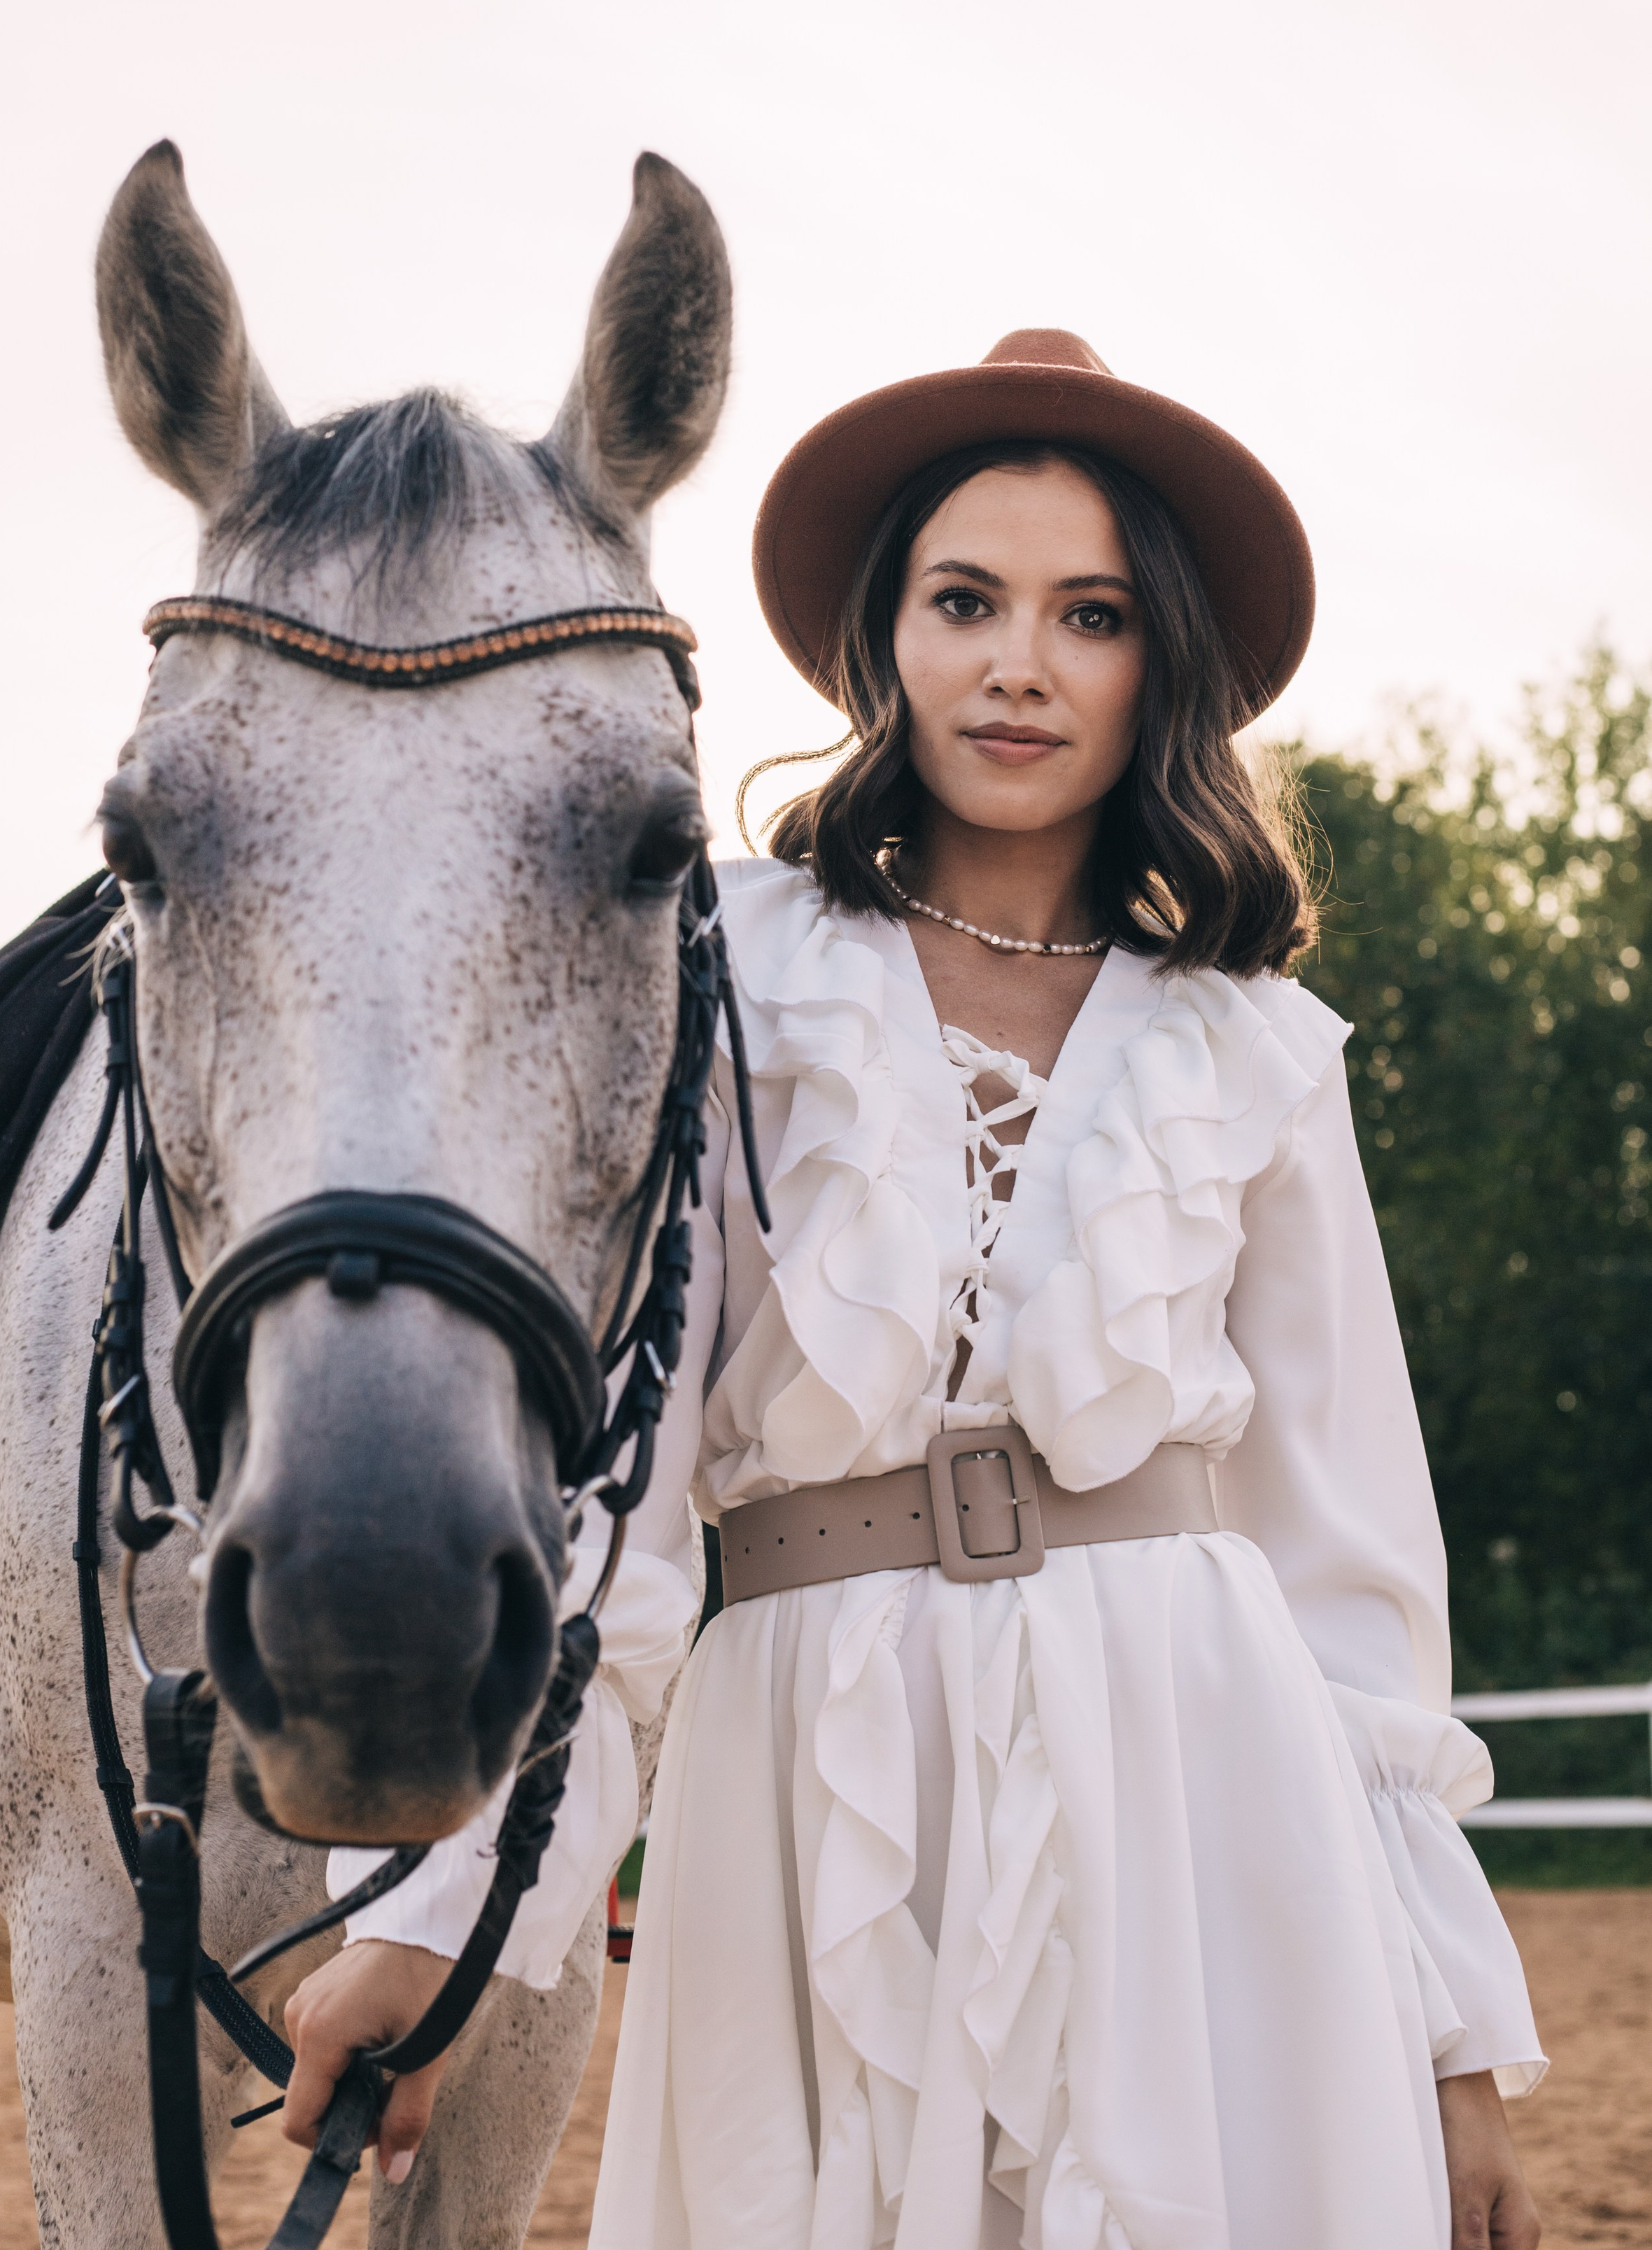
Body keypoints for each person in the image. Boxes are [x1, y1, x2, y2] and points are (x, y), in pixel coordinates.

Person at [283, 330, 1545, 2249]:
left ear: (1159, 664)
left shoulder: (1258, 1050)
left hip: (1205, 1786)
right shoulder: (725, 967)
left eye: (1090, 613)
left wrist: (1450, 2045)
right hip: (809, 1769)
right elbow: (614, 1520)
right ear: (889, 640)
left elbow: (1357, 1592)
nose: (1018, 662)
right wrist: (442, 1928)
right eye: (966, 601)